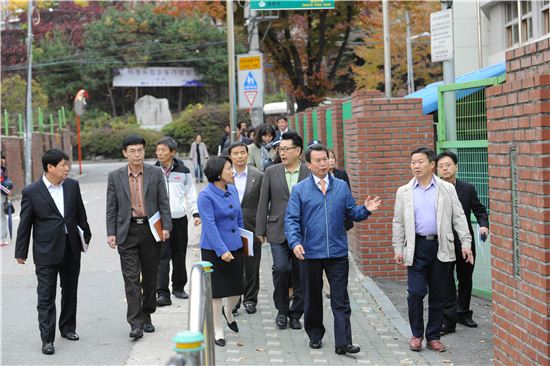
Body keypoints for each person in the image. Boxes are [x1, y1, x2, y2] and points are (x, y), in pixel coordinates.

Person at [285, 144, 381, 354]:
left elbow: (351, 213)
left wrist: (365, 210)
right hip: (309, 253)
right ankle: (315, 334)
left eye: (326, 159)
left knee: (341, 299)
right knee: (312, 297)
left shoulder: (340, 186)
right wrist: (296, 243)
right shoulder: (300, 190)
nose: (323, 164)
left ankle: (343, 342)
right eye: (318, 160)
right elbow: (291, 220)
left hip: (337, 252)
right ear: (308, 165)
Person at [392, 147, 473, 353]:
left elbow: (459, 217)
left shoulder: (446, 189)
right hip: (416, 246)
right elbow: (398, 222)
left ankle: (433, 336)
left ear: (431, 164)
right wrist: (398, 247)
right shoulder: (404, 191)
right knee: (416, 292)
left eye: (420, 162)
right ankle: (417, 334)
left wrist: (466, 243)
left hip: (441, 246)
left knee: (438, 294)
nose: (415, 166)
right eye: (412, 162)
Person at [15, 148, 92, 355]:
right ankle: (47, 338)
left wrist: (86, 235)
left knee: (70, 291)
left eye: (67, 164)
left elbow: (79, 214)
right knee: (46, 296)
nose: (67, 168)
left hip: (71, 248)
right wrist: (20, 251)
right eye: (63, 165)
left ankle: (67, 328)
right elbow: (25, 224)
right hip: (46, 250)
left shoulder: (72, 186)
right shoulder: (32, 191)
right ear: (50, 167)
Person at [106, 135, 172, 340]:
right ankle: (135, 323)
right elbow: (111, 207)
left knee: (150, 278)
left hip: (151, 231)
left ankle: (147, 314)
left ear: (145, 151)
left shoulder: (155, 173)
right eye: (132, 151)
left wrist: (166, 227)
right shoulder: (115, 176)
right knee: (131, 278)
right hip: (127, 231)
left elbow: (163, 201)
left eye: (140, 150)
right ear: (125, 153)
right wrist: (111, 232)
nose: (137, 154)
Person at [256, 131, 309, 330]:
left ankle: (296, 313)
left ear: (298, 151)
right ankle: (281, 310)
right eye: (280, 149)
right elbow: (264, 202)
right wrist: (260, 229)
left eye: (286, 149)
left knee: (300, 273)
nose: (282, 153)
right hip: (277, 229)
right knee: (281, 268)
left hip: (303, 232)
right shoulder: (271, 171)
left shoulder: (308, 172)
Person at [436, 151, 489, 333]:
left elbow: (479, 210)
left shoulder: (467, 188)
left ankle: (463, 313)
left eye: (448, 164)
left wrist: (483, 225)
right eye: (441, 165)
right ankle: (448, 316)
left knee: (466, 277)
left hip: (465, 241)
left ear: (456, 167)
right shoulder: (434, 190)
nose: (445, 168)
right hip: (444, 241)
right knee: (447, 279)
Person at [197, 156, 244, 347]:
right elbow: (209, 225)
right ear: (217, 174)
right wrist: (221, 250)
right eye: (228, 169)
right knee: (216, 292)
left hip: (236, 246)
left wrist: (245, 240)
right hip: (213, 249)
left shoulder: (232, 189)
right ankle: (217, 330)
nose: (232, 171)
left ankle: (229, 311)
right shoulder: (205, 196)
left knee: (237, 289)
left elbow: (239, 218)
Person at [155, 137, 201, 306]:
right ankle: (162, 292)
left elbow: (191, 193)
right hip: (160, 221)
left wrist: (196, 213)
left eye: (163, 150)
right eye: (158, 150)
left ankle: (179, 287)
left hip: (180, 219)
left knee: (179, 254)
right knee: (162, 256)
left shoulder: (183, 171)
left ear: (172, 152)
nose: (159, 153)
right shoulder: (153, 171)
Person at [228, 142, 264, 315]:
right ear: (230, 156)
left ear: (247, 155)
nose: (240, 156)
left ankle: (250, 299)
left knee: (251, 266)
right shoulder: (225, 176)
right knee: (234, 265)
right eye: (236, 153)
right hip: (230, 227)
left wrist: (262, 229)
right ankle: (234, 300)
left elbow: (264, 204)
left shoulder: (258, 176)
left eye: (243, 152)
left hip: (252, 226)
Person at [328, 149, 353, 232]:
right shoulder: (321, 177)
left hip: (341, 214)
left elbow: (348, 194)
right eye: (328, 158)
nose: (331, 160)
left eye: (333, 158)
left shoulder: (342, 174)